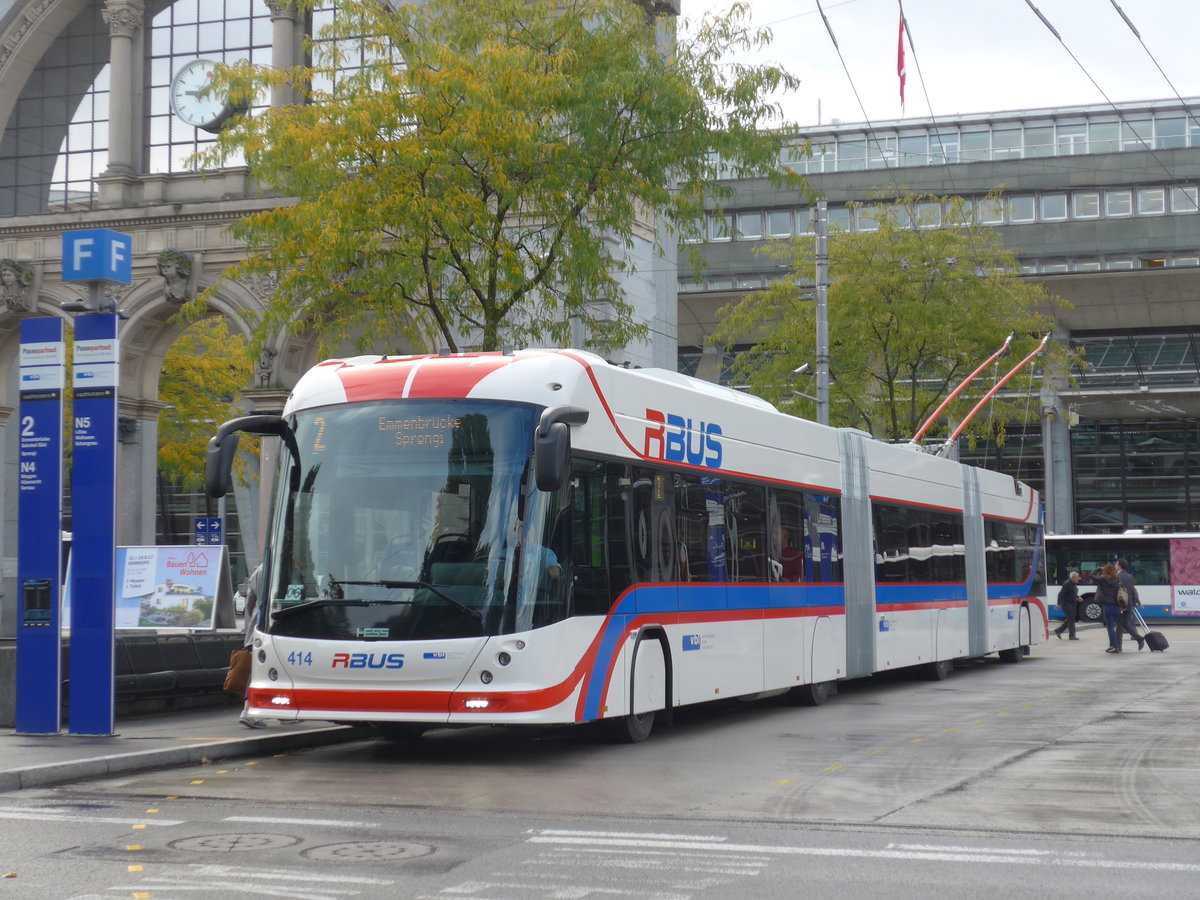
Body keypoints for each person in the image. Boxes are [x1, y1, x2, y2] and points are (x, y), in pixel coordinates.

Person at [237, 563, 265, 728]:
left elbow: (249, 604)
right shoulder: (287, 566)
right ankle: (247, 710)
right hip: (277, 626)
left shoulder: (258, 570)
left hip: (258, 625)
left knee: (258, 668)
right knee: (259, 671)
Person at [1116, 558, 1145, 651]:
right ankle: (1138, 638)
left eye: (1116, 564)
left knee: (1119, 626)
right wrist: (1137, 602)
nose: (1115, 566)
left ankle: (1119, 647)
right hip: (1129, 605)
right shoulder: (1130, 576)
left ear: (1119, 566)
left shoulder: (1117, 576)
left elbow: (1117, 592)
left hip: (1121, 605)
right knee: (1125, 624)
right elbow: (1133, 591)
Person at [1094, 563, 1122, 653]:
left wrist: (1098, 569)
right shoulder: (1117, 579)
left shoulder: (1103, 579)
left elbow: (1092, 576)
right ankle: (1112, 645)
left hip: (1108, 606)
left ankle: (1114, 646)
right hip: (1117, 606)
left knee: (1110, 627)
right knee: (1114, 626)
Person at [1054, 570, 1081, 640]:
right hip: (1067, 604)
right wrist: (1058, 604)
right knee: (1071, 619)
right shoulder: (1067, 584)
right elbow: (1061, 594)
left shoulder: (1073, 584)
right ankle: (1072, 635)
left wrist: (1078, 597)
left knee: (1070, 619)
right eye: (1077, 577)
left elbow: (1072, 592)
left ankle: (1058, 630)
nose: (1079, 578)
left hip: (1072, 604)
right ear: (1073, 577)